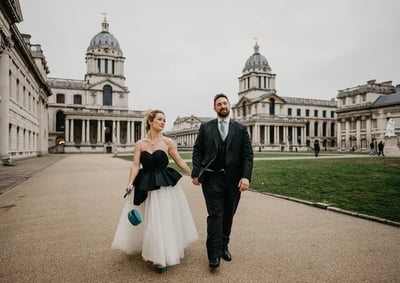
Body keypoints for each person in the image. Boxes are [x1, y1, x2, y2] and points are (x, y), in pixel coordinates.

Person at [111, 110, 198, 274]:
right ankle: (154, 249)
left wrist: (193, 174)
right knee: (149, 219)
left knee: (163, 219)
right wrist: (130, 183)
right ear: (150, 121)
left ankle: (161, 256)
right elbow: (135, 165)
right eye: (160, 119)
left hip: (164, 186)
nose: (163, 122)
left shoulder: (168, 142)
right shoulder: (140, 144)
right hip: (144, 183)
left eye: (165, 120)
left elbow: (179, 160)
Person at [191, 93, 253, 270]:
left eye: (224, 103)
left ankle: (224, 245)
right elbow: (197, 151)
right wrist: (196, 172)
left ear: (229, 105)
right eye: (219, 104)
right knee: (215, 215)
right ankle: (213, 254)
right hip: (212, 178)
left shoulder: (240, 129)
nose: (222, 106)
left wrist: (246, 177)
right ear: (214, 108)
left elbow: (248, 156)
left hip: (233, 180)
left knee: (228, 215)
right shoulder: (206, 128)